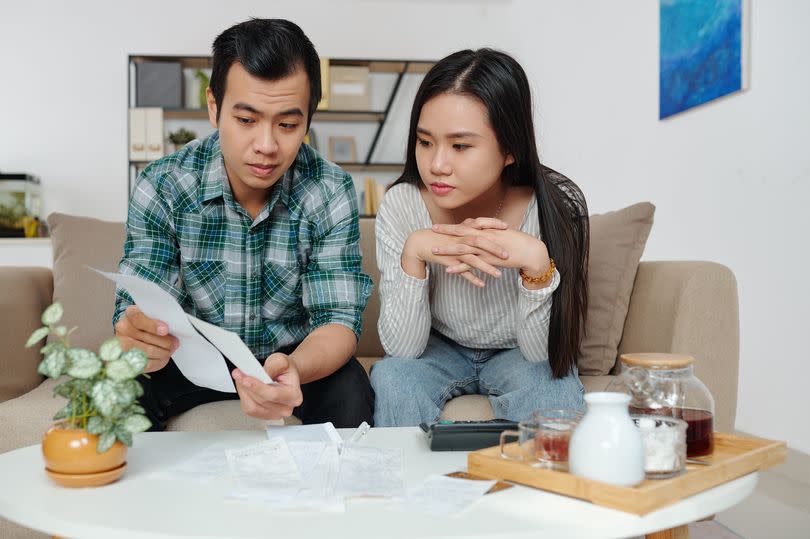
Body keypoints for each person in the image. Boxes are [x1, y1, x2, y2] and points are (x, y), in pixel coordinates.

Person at [113, 18, 374, 430]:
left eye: (287, 125)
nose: (267, 146)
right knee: (120, 391)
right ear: (214, 107)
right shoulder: (163, 183)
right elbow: (139, 304)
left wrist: (294, 367)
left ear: (308, 119)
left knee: (351, 389)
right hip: (189, 356)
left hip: (291, 355)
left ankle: (333, 495)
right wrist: (139, 336)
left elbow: (337, 321)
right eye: (247, 120)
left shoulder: (330, 189)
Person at [370, 48, 589, 426]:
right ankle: (408, 486)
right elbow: (403, 350)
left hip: (517, 353)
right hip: (438, 350)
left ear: (509, 149)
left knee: (555, 387)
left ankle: (541, 486)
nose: (437, 164)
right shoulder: (402, 205)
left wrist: (536, 264)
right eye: (425, 142)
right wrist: (415, 252)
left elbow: (541, 355)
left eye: (460, 146)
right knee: (392, 377)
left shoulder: (550, 207)